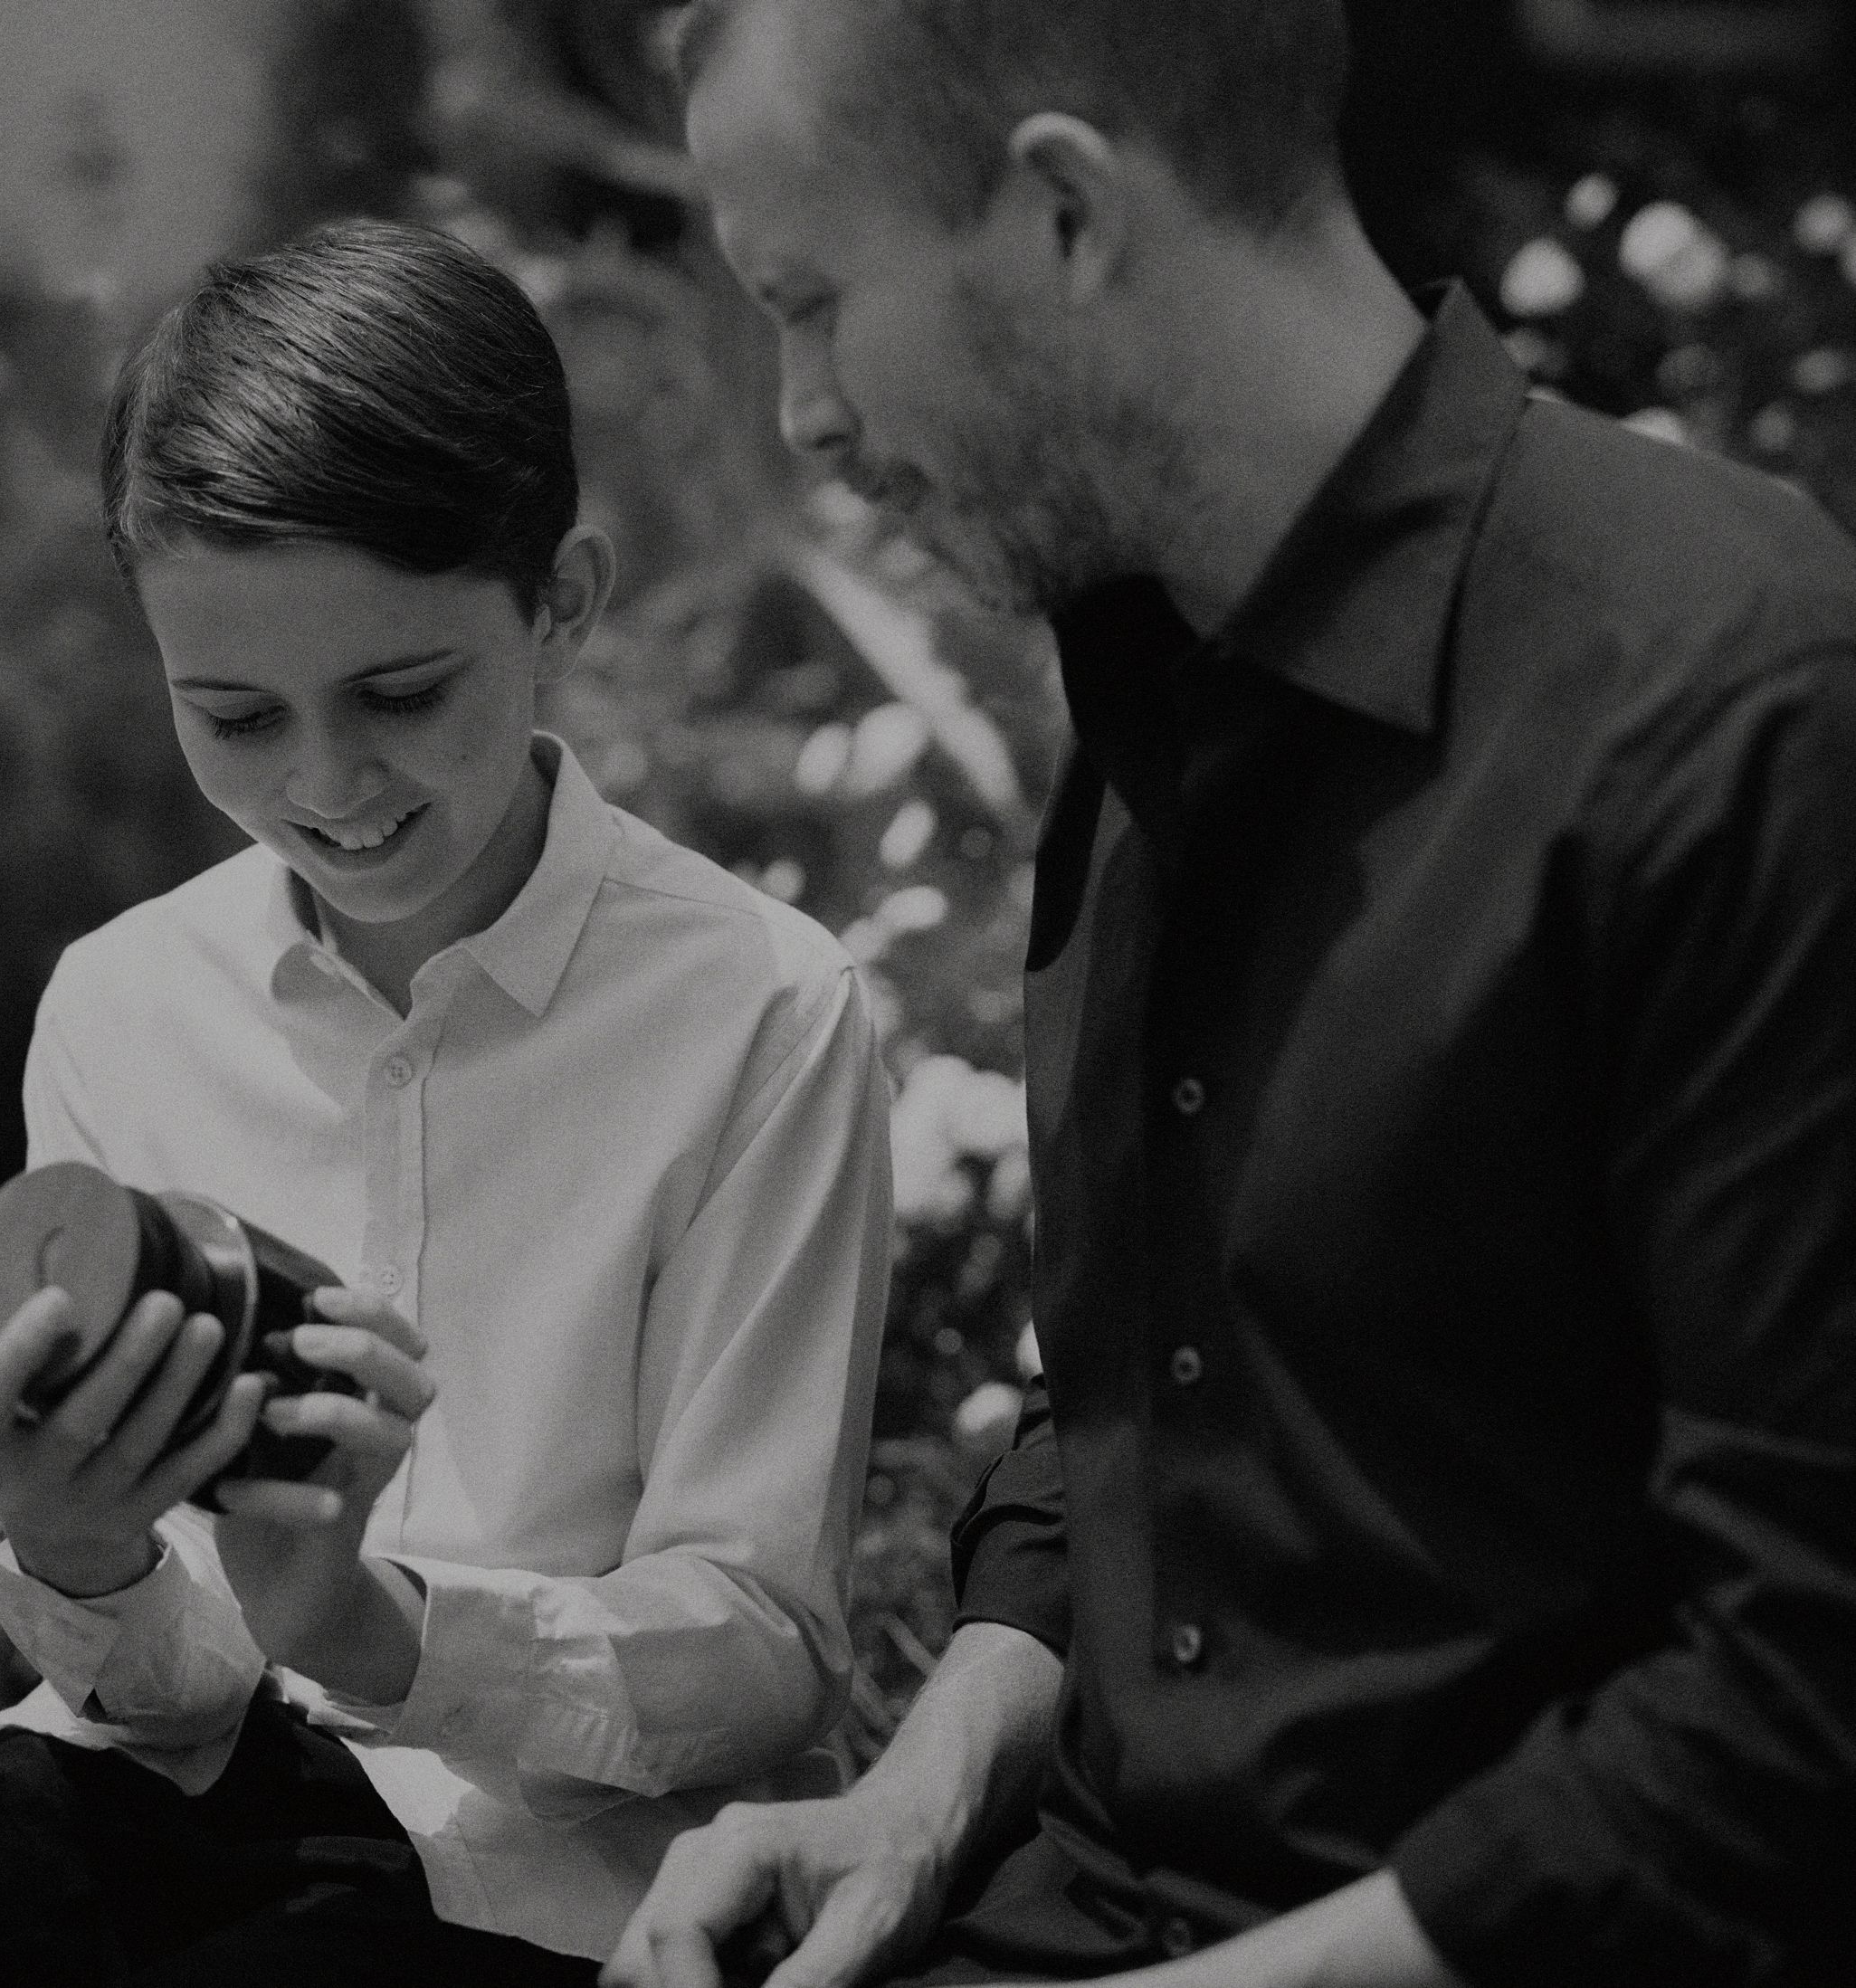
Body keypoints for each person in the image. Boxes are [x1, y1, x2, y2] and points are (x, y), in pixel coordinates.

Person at [604, 3, 1856, 1985]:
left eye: (811, 299)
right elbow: (1133, 1409)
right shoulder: (1149, 681)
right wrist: (910, 1808)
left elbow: (1796, 1709)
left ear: (1064, 218)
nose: (802, 416)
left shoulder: (1724, 708)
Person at [0, 219, 892, 1988]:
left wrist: (378, 1631)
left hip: (520, 1897)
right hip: (135, 1816)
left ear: (562, 602)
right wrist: (77, 1546)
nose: (325, 784)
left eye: (400, 693)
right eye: (230, 713)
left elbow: (765, 1646)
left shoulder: (755, 1011)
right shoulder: (124, 1004)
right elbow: (164, 1693)